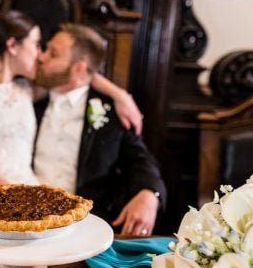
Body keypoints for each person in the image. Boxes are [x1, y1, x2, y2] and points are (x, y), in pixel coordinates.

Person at [0, 10, 144, 223]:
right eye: (37, 44)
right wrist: (8, 197)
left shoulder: (29, 89)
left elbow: (78, 74)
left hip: (27, 189)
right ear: (12, 46)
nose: (40, 55)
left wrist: (121, 95)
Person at [34, 24, 166, 235]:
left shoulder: (114, 111)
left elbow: (140, 159)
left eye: (53, 53)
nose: (40, 57)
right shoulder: (27, 100)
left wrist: (150, 195)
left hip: (86, 224)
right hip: (27, 218)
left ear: (78, 68)